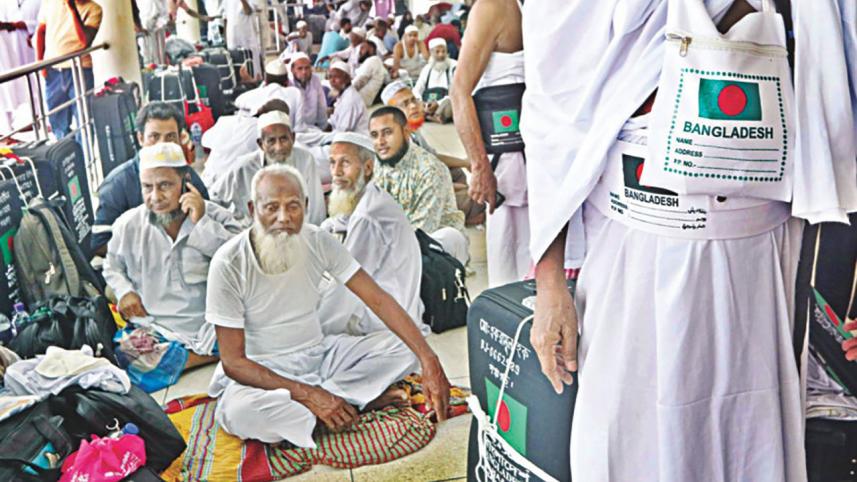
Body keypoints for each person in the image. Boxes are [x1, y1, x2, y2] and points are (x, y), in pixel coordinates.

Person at [522, 1, 819, 481]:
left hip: (758, 248)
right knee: (631, 441)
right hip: (634, 249)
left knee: (750, 436)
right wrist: (550, 284)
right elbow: (551, 119)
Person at [205, 163, 451, 446]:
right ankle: (349, 402)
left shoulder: (317, 240)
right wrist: (310, 395)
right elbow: (234, 363)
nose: (283, 218)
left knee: (404, 349)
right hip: (262, 373)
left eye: (293, 206)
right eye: (271, 207)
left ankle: (328, 408)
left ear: (307, 206)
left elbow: (378, 299)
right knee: (241, 414)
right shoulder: (228, 263)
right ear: (252, 209)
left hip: (320, 356)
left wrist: (429, 360)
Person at [104, 143, 241, 369]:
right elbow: (112, 266)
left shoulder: (213, 215)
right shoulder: (128, 225)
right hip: (158, 327)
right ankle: (214, 357)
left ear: (185, 181)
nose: (155, 197)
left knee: (260, 328)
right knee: (125, 354)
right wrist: (125, 291)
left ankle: (192, 358)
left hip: (210, 325)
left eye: (165, 185)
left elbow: (239, 260)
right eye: (147, 187)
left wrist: (201, 223)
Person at [452, 0, 529, 287]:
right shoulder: (493, 7)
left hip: (546, 154)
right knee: (512, 261)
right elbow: (459, 90)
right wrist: (479, 165)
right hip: (508, 157)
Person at [318, 132, 426, 336]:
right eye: (332, 163)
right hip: (393, 298)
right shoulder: (370, 194)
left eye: (345, 163)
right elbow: (339, 221)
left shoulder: (368, 215)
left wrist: (311, 330)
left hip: (386, 317)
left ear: (367, 167)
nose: (336, 172)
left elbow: (346, 286)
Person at [93, 102, 210, 257]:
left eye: (170, 137)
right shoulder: (117, 184)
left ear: (180, 138)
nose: (162, 145)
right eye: (154, 137)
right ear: (140, 138)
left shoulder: (188, 175)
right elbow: (99, 244)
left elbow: (209, 218)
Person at [369, 107, 467, 264]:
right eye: (374, 135)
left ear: (406, 132)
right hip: (394, 239)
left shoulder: (430, 170)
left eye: (387, 132)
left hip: (434, 247)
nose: (380, 142)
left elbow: (422, 231)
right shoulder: (381, 161)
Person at [381, 81, 482, 226]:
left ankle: (460, 211)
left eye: (413, 100)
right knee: (476, 197)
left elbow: (433, 157)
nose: (413, 106)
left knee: (455, 171)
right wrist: (460, 188)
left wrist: (465, 162)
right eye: (405, 104)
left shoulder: (409, 129)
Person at [209, 110, 325, 226]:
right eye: (271, 141)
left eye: (284, 139)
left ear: (293, 138)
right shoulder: (244, 167)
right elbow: (214, 198)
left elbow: (316, 208)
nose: (279, 147)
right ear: (261, 144)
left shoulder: (305, 160)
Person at [35, 0, 102, 140]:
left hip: (80, 69)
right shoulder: (50, 3)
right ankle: (69, 157)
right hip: (53, 71)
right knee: (57, 122)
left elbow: (84, 41)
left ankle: (85, 159)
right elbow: (40, 31)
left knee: (84, 120)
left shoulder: (94, 9)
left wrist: (72, 10)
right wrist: (40, 63)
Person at [0, 0, 39, 135]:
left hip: (32, 43)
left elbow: (42, 21)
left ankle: (38, 117)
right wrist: (10, 26)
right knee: (11, 85)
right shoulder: (5, 2)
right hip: (9, 47)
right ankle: (7, 127)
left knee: (35, 81)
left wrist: (22, 25)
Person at [233, 60, 303, 128]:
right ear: (287, 81)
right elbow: (299, 126)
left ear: (266, 81)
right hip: (289, 135)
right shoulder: (295, 93)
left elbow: (238, 101)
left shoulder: (254, 94)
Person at [414, 38, 455, 123]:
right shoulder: (427, 68)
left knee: (451, 102)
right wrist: (420, 101)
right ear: (431, 53)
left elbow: (454, 92)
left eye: (444, 51)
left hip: (444, 103)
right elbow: (417, 89)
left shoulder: (453, 66)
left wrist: (438, 103)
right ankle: (430, 115)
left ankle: (433, 116)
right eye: (437, 52)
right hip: (427, 103)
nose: (441, 55)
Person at [327, 61, 370, 134]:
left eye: (336, 77)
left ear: (347, 78)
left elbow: (343, 132)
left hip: (354, 141)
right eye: (330, 77)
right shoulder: (343, 94)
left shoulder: (350, 99)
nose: (332, 81)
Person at [289, 52, 328, 130]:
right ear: (292, 70)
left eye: (307, 68)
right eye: (300, 68)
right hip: (295, 130)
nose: (304, 72)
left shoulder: (315, 80)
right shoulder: (289, 84)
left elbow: (321, 106)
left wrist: (323, 126)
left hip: (313, 128)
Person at [223, 0, 261, 76]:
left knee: (252, 64)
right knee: (236, 64)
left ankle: (255, 82)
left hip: (247, 36)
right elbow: (225, 18)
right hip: (232, 37)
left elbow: (248, 11)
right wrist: (225, 39)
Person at [352, 41, 387, 107]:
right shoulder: (374, 61)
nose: (360, 51)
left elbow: (360, 81)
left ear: (371, 49)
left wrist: (344, 93)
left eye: (362, 48)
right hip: (356, 99)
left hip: (358, 101)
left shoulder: (373, 60)